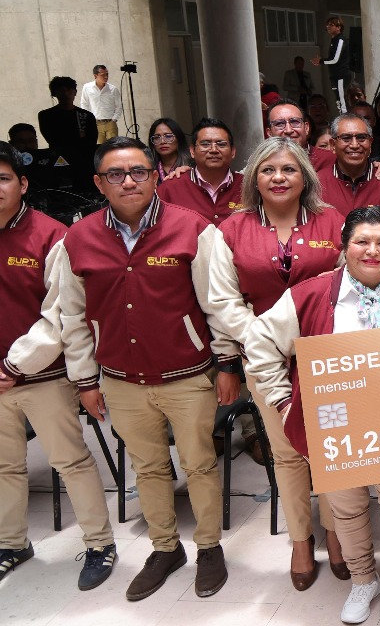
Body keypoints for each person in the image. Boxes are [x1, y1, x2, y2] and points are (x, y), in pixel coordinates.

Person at [53, 136, 242, 601]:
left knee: (199, 464)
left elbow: (218, 303)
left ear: (156, 176)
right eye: (115, 174)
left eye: (138, 171)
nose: (129, 182)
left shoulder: (192, 229)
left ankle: (209, 547)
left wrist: (226, 364)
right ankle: (164, 548)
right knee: (148, 468)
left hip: (187, 376)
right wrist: (85, 380)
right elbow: (71, 317)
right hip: (120, 381)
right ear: (99, 183)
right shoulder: (77, 239)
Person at [244, 206, 380, 626]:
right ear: (344, 245)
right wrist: (284, 402)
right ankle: (363, 580)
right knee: (347, 511)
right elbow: (259, 342)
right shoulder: (310, 294)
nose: (372, 251)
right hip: (336, 426)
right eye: (362, 241)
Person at [205, 137, 347, 589]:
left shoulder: (333, 221)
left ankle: (337, 533)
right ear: (254, 178)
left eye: (288, 169)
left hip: (325, 358)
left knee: (330, 451)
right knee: (287, 455)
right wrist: (264, 340)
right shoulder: (230, 229)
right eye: (268, 170)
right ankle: (301, 540)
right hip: (266, 362)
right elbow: (222, 300)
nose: (279, 177)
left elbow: (348, 284)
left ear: (305, 175)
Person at [0, 142, 116, 589]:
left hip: (41, 376)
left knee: (71, 461)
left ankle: (100, 545)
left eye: (3, 178)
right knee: (6, 466)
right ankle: (12, 543)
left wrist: (13, 365)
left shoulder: (51, 236)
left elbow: (59, 314)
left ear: (23, 183)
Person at [316, 113, 380, 221]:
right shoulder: (317, 184)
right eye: (346, 138)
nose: (354, 145)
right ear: (333, 145)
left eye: (361, 138)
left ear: (370, 143)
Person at [156, 118, 244, 226]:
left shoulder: (248, 187)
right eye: (205, 144)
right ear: (192, 151)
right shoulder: (170, 188)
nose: (213, 150)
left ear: (233, 151)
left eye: (221, 144)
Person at [37, 76, 98, 194]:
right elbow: (52, 138)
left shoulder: (86, 115)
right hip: (59, 161)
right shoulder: (46, 115)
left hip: (84, 160)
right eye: (61, 90)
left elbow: (91, 140)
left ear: (75, 92)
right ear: (54, 93)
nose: (65, 94)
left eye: (69, 90)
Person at [313, 16, 350, 112]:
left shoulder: (340, 40)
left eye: (331, 25)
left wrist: (321, 61)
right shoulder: (334, 40)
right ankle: (342, 117)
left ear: (338, 27)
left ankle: (346, 119)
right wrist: (321, 61)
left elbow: (334, 59)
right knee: (338, 101)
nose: (328, 27)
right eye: (327, 25)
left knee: (342, 102)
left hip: (341, 75)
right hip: (334, 75)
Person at [78, 65, 124, 143]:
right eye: (103, 75)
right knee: (98, 147)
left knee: (113, 146)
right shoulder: (87, 87)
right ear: (95, 75)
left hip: (110, 122)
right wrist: (89, 119)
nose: (106, 77)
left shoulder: (113, 89)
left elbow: (119, 106)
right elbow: (84, 104)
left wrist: (114, 119)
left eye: (107, 74)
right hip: (96, 123)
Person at [147, 117, 194, 182]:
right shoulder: (149, 168)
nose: (162, 141)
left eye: (168, 136)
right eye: (157, 137)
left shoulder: (193, 165)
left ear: (179, 139)